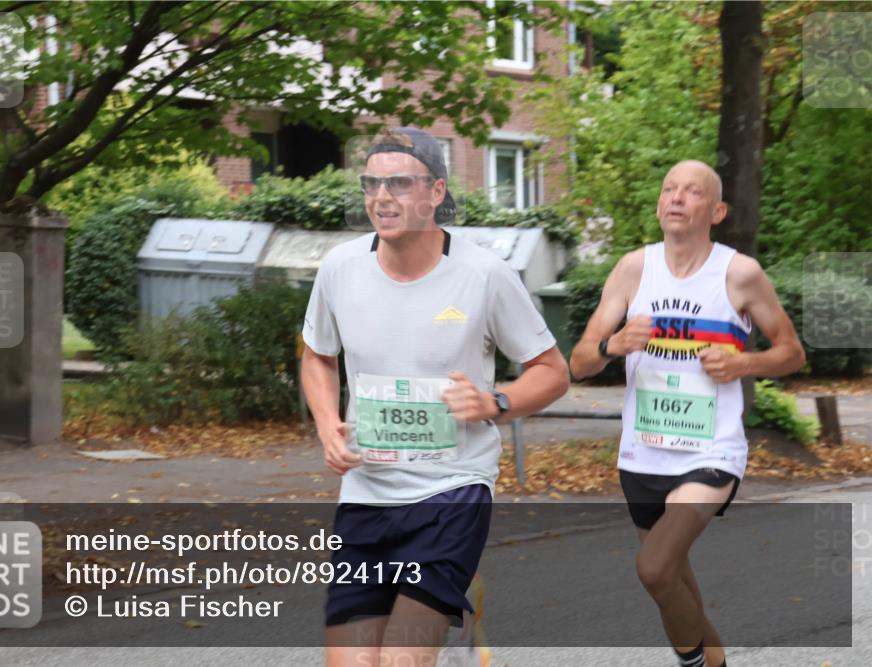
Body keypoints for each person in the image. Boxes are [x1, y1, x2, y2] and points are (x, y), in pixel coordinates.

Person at [301, 127, 570, 667]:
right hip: (367, 491)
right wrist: (329, 423)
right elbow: (317, 356)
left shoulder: (484, 275)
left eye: (399, 183)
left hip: (452, 489)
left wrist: (496, 402)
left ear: (436, 192)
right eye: (372, 184)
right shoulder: (340, 269)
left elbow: (551, 370)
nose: (382, 197)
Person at [569, 160, 806, 667]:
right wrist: (614, 343)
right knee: (673, 578)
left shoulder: (739, 273)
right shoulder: (634, 268)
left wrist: (746, 361)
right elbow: (580, 362)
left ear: (716, 210)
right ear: (659, 205)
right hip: (643, 453)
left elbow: (791, 352)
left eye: (692, 191)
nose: (677, 197)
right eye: (669, 189)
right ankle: (713, 662)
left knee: (654, 568)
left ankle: (692, 662)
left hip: (711, 451)